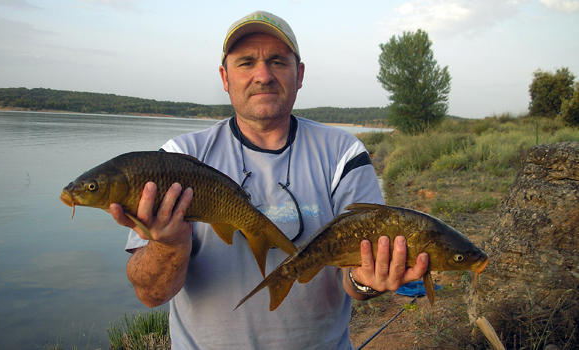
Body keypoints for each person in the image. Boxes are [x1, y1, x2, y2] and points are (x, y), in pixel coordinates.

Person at [110, 10, 429, 349]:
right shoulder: (176, 158)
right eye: (246, 62)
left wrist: (368, 282)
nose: (263, 75)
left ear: (299, 73)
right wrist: (168, 243)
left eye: (277, 61)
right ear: (225, 77)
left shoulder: (344, 154)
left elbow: (353, 280)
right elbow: (151, 294)